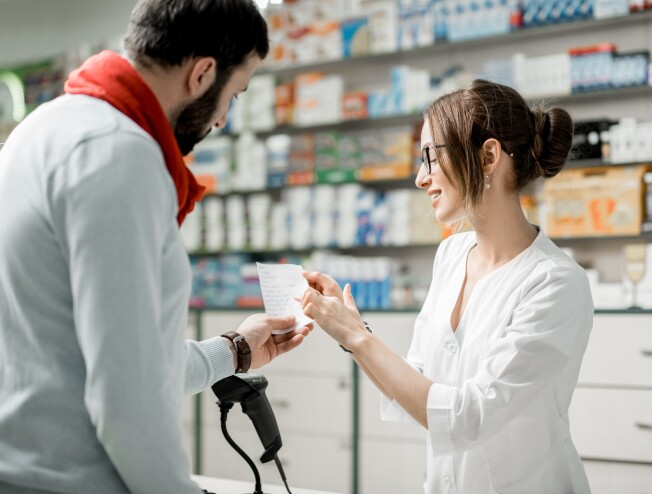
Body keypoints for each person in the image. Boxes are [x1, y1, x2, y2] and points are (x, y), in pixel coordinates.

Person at [0, 1, 311, 493]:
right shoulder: (119, 155)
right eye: (235, 93)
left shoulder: (42, 128)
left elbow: (113, 357)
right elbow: (128, 400)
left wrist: (233, 352)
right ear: (204, 73)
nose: (223, 119)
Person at [300, 79, 594, 494]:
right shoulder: (452, 256)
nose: (421, 178)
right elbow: (417, 380)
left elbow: (468, 417)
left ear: (488, 156)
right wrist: (353, 331)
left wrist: (356, 338)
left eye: (430, 158)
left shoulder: (555, 283)